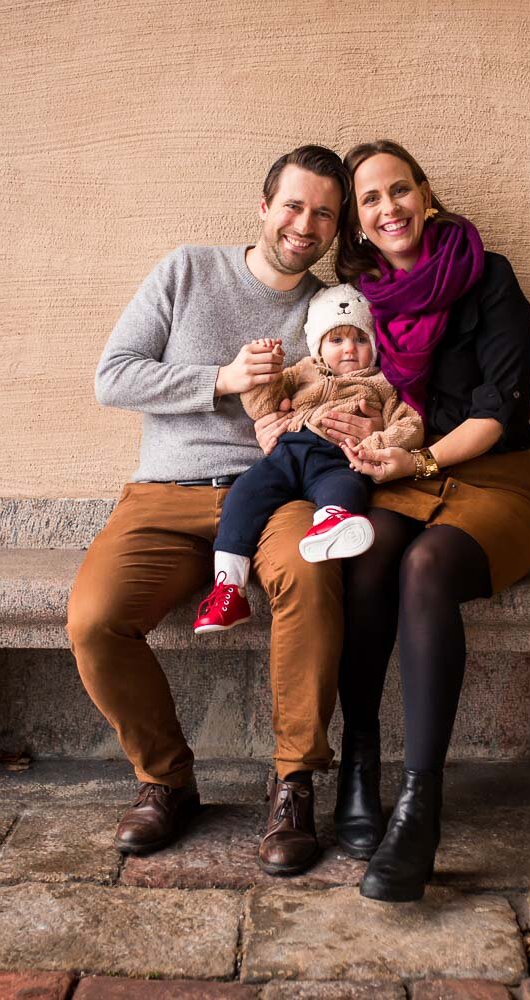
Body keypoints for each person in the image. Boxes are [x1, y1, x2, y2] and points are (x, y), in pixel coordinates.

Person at [67, 144, 359, 877]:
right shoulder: (187, 270)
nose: (306, 224)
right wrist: (222, 380)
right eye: (294, 206)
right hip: (166, 492)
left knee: (310, 570)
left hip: (275, 494)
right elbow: (113, 377)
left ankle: (293, 783)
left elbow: (358, 388)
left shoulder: (329, 310)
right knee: (95, 619)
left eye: (324, 213)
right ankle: (165, 779)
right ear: (264, 209)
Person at [331, 140, 530, 901]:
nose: (389, 209)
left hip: (490, 482)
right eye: (371, 201)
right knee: (366, 552)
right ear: (358, 223)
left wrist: (418, 464)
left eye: (400, 190)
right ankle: (358, 768)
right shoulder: (364, 297)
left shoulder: (487, 273)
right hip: (402, 476)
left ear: (425, 192)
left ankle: (420, 811)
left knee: (425, 568)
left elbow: (500, 406)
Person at [193, 284, 425, 635]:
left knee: (346, 486)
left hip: (339, 456)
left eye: (360, 340)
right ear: (317, 345)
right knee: (244, 493)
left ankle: (332, 524)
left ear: (374, 347)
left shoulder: (382, 383)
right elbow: (262, 407)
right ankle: (229, 588)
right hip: (288, 454)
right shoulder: (303, 371)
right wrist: (266, 375)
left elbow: (410, 425)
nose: (349, 348)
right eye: (337, 340)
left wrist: (377, 442)